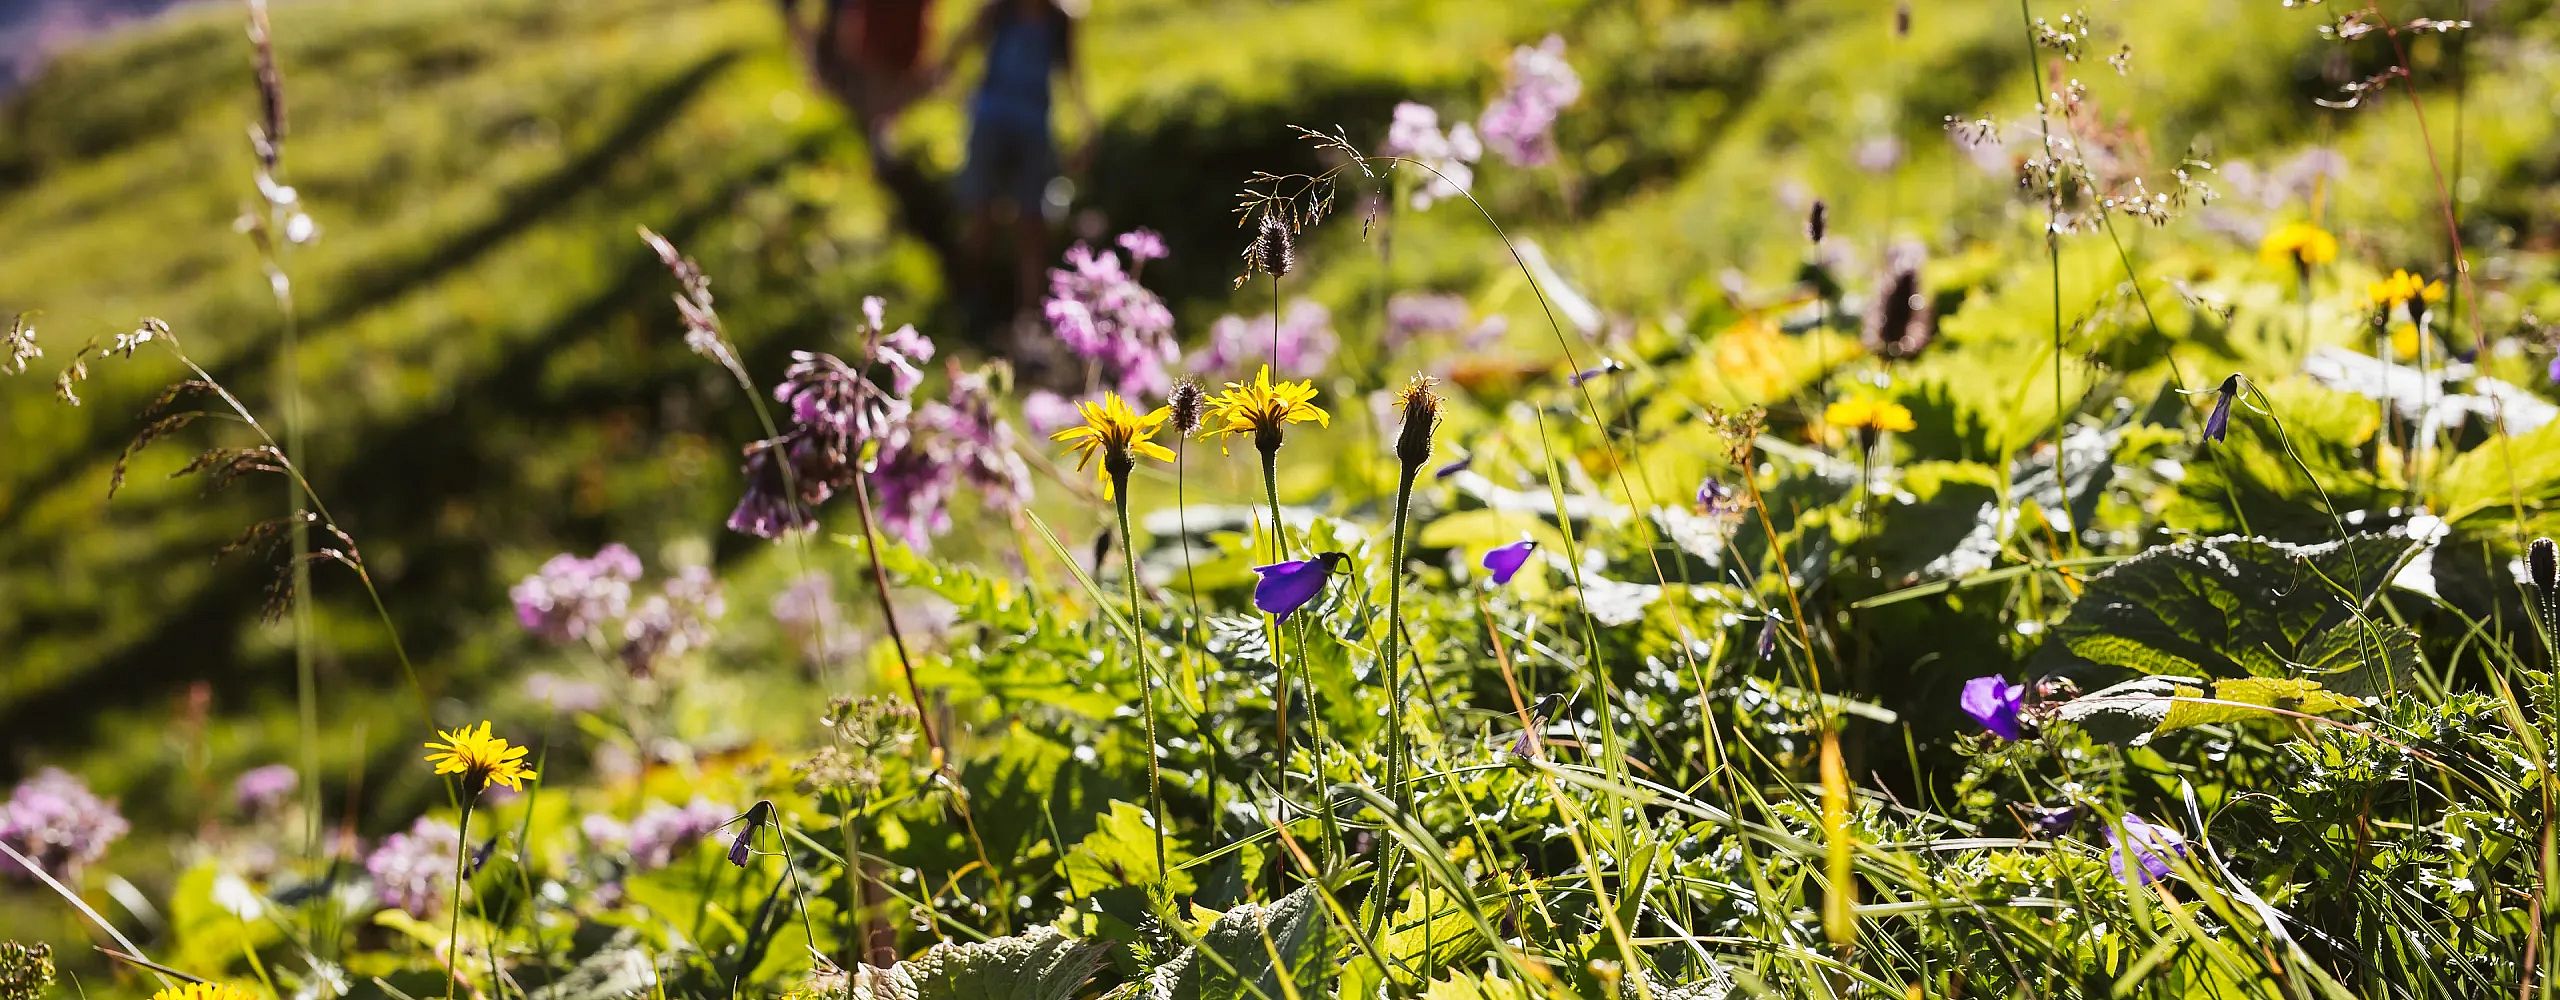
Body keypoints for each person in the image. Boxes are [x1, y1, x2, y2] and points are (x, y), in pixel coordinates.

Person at [939, 0, 1093, 332]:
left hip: (1035, 127)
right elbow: (957, 50)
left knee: (1032, 222)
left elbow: (1072, 73)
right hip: (990, 122)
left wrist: (1085, 126)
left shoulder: (1059, 20)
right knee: (981, 214)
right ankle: (969, 300)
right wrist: (955, 88)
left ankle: (1030, 318)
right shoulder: (998, 11)